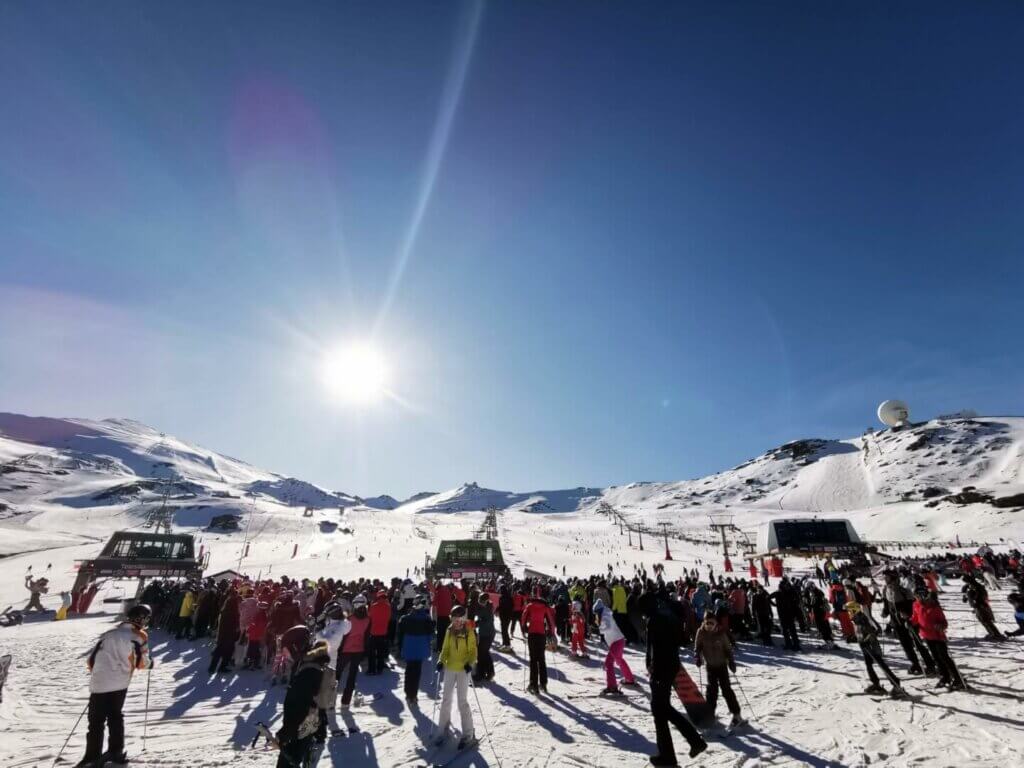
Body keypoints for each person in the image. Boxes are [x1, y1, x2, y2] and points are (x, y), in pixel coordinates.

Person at [74, 604, 154, 768]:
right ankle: (116, 751)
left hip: (99, 682)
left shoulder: (108, 634)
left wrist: (100, 673)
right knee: (115, 715)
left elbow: (91, 661)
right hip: (119, 682)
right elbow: (141, 662)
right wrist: (150, 664)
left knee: (96, 721)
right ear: (143, 619)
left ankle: (91, 756)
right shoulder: (139, 636)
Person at [642, 593, 707, 767]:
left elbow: (654, 648)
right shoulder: (666, 617)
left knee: (661, 709)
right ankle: (667, 755)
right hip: (671, 666)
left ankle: (693, 741)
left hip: (661, 670)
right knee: (661, 712)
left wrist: (652, 668)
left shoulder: (654, 620)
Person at [276, 643, 329, 768]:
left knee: (289, 748)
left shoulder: (301, 666)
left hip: (293, 711)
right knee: (295, 750)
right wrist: (321, 729)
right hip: (305, 717)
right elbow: (321, 702)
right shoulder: (319, 673)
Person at [434, 605, 477, 750]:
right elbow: (445, 649)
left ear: (464, 618)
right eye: (454, 619)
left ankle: (468, 734)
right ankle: (442, 730)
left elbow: (472, 651)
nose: (457, 622)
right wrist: (441, 660)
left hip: (463, 670)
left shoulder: (469, 631)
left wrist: (470, 663)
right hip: (450, 668)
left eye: (459, 619)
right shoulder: (449, 630)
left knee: (462, 701)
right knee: (446, 699)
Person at [693, 613, 744, 728]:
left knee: (726, 690)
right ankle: (709, 714)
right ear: (704, 623)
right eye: (707, 623)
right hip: (710, 666)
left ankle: (737, 714)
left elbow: (728, 648)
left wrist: (731, 661)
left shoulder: (721, 633)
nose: (709, 626)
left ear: (715, 623)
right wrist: (697, 656)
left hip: (721, 666)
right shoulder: (701, 632)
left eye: (712, 623)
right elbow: (697, 647)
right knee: (711, 691)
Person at [910, 588, 965, 690]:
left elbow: (944, 622)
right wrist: (909, 622)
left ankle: (958, 679)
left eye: (917, 596)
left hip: (937, 636)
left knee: (944, 657)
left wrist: (941, 626)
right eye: (915, 596)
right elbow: (915, 618)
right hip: (926, 635)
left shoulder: (934, 607)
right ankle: (945, 677)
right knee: (936, 658)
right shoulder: (916, 605)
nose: (916, 598)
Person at [848, 601, 906, 697]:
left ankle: (896, 685)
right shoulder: (856, 619)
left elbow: (872, 632)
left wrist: (865, 640)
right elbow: (861, 633)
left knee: (882, 665)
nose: (849, 613)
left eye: (850, 610)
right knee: (869, 665)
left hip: (872, 647)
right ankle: (876, 684)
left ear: (855, 609)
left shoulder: (862, 618)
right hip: (865, 647)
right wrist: (854, 638)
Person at [593, 597, 636, 695]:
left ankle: (612, 686)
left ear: (598, 611)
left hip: (616, 641)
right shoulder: (605, 613)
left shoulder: (605, 615)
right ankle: (629, 679)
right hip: (618, 640)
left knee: (608, 663)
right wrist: (599, 627)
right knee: (619, 660)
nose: (595, 615)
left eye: (596, 613)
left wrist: (599, 629)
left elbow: (607, 627)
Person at [397, 597, 434, 703]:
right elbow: (430, 635)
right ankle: (414, 694)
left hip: (409, 648)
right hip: (421, 648)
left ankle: (408, 693)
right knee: (417, 672)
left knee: (409, 671)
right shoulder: (427, 619)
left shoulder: (405, 619)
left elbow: (400, 633)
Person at [337, 594, 371, 708]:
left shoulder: (349, 619)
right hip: (358, 650)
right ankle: (345, 702)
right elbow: (366, 636)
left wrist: (339, 648)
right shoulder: (368, 619)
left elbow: (343, 635)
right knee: (352, 676)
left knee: (337, 674)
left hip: (346, 650)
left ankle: (330, 700)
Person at [521, 592, 557, 694]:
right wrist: (551, 633)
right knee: (541, 659)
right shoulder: (545, 607)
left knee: (533, 660)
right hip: (541, 634)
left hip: (532, 633)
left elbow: (523, 617)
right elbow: (551, 622)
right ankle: (543, 683)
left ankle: (533, 685)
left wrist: (524, 628)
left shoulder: (530, 606)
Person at [209, 589, 240, 675]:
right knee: (228, 652)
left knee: (218, 651)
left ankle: (212, 667)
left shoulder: (224, 611)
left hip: (222, 634)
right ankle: (222, 667)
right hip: (230, 635)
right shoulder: (234, 613)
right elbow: (236, 625)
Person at [367, 590, 392, 675]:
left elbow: (369, 616)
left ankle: (371, 670)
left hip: (373, 632)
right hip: (383, 633)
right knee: (381, 652)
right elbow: (389, 618)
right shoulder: (388, 606)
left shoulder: (373, 606)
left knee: (371, 653)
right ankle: (380, 668)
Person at [473, 593, 496, 682]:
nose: (481, 603)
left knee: (481, 653)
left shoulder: (487, 608)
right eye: (480, 601)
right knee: (484, 652)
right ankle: (489, 672)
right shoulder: (485, 607)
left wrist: (476, 623)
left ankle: (481, 673)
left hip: (487, 634)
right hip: (485, 633)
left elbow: (486, 621)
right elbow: (482, 618)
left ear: (486, 601)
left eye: (482, 602)